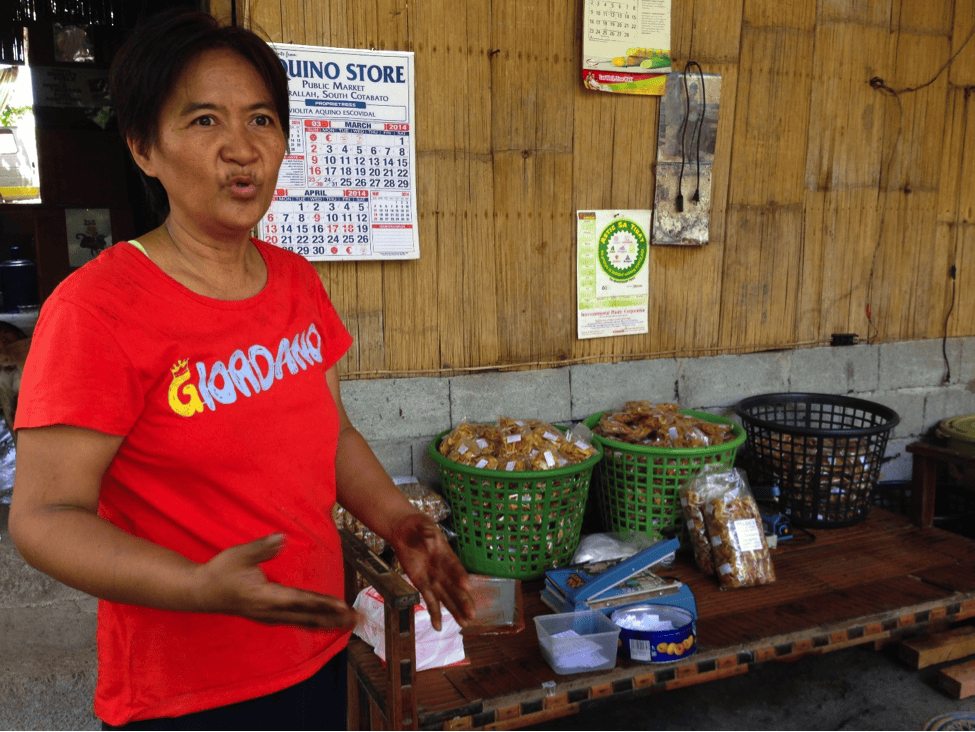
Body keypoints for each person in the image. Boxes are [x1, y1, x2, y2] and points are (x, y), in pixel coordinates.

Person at [7, 9, 473, 731]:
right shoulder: (97, 308)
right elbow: (44, 517)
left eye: (261, 119)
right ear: (144, 148)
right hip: (188, 695)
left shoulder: (296, 282)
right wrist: (195, 586)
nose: (241, 149)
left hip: (316, 647)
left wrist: (401, 523)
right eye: (203, 121)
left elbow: (334, 436)